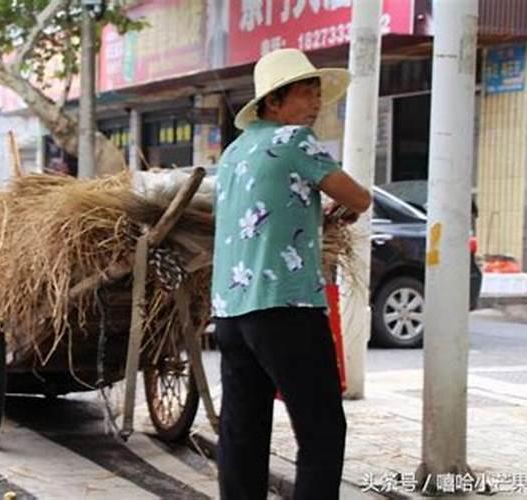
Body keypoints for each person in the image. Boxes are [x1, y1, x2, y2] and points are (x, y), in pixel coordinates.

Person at [211, 49, 371, 500]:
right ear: (274, 102)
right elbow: (358, 196)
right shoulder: (293, 141)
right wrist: (349, 207)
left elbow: (270, 213)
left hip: (231, 312)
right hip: (286, 307)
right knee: (321, 428)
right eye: (305, 93)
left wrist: (324, 218)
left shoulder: (234, 153)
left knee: (243, 430)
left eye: (318, 93)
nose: (315, 102)